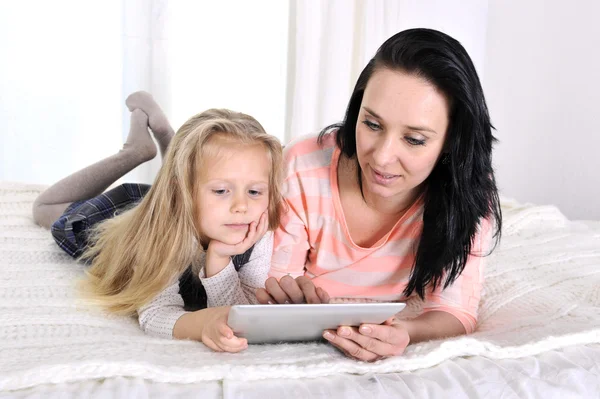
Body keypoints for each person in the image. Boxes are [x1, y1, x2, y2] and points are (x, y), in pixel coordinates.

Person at [256, 28, 502, 361]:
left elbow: (456, 310)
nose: (382, 157)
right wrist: (286, 295)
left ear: (450, 143)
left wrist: (406, 332)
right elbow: (271, 280)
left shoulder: (468, 194)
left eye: (414, 140)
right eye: (372, 124)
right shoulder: (303, 165)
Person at [32, 92, 283, 353]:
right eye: (221, 191)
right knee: (44, 209)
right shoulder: (161, 233)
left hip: (179, 202)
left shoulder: (256, 228)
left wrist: (218, 260)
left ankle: (168, 143)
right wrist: (202, 324)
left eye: (254, 191)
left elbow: (244, 312)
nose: (241, 206)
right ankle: (133, 152)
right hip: (121, 219)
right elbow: (155, 315)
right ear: (182, 191)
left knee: (185, 180)